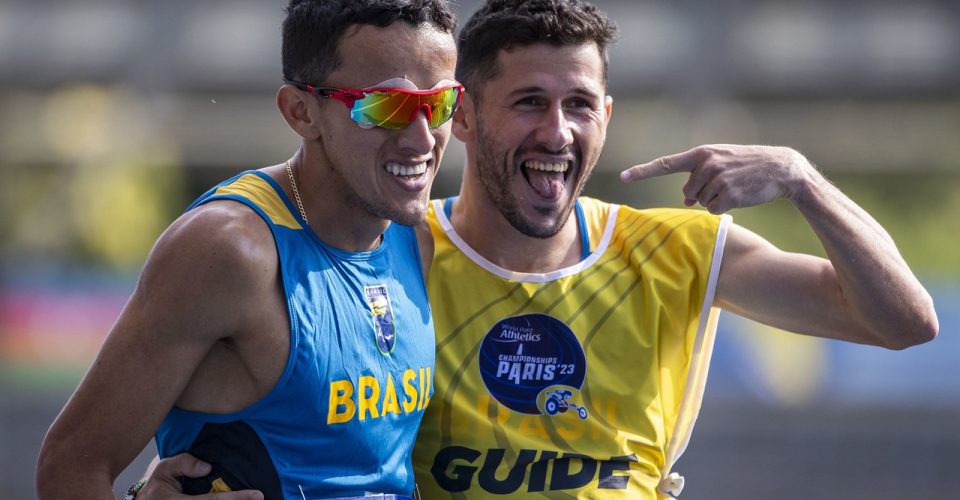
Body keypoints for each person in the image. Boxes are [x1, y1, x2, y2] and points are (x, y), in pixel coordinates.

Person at [137, 0, 939, 498]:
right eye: (528, 102)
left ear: (607, 116)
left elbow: (904, 322)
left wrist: (802, 180)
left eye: (580, 104)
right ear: (463, 116)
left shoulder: (681, 251)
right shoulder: (393, 251)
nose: (557, 132)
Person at [35, 0, 461, 498]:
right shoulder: (229, 250)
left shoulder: (419, 238)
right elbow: (70, 466)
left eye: (440, 104)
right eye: (387, 107)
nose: (422, 138)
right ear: (301, 111)